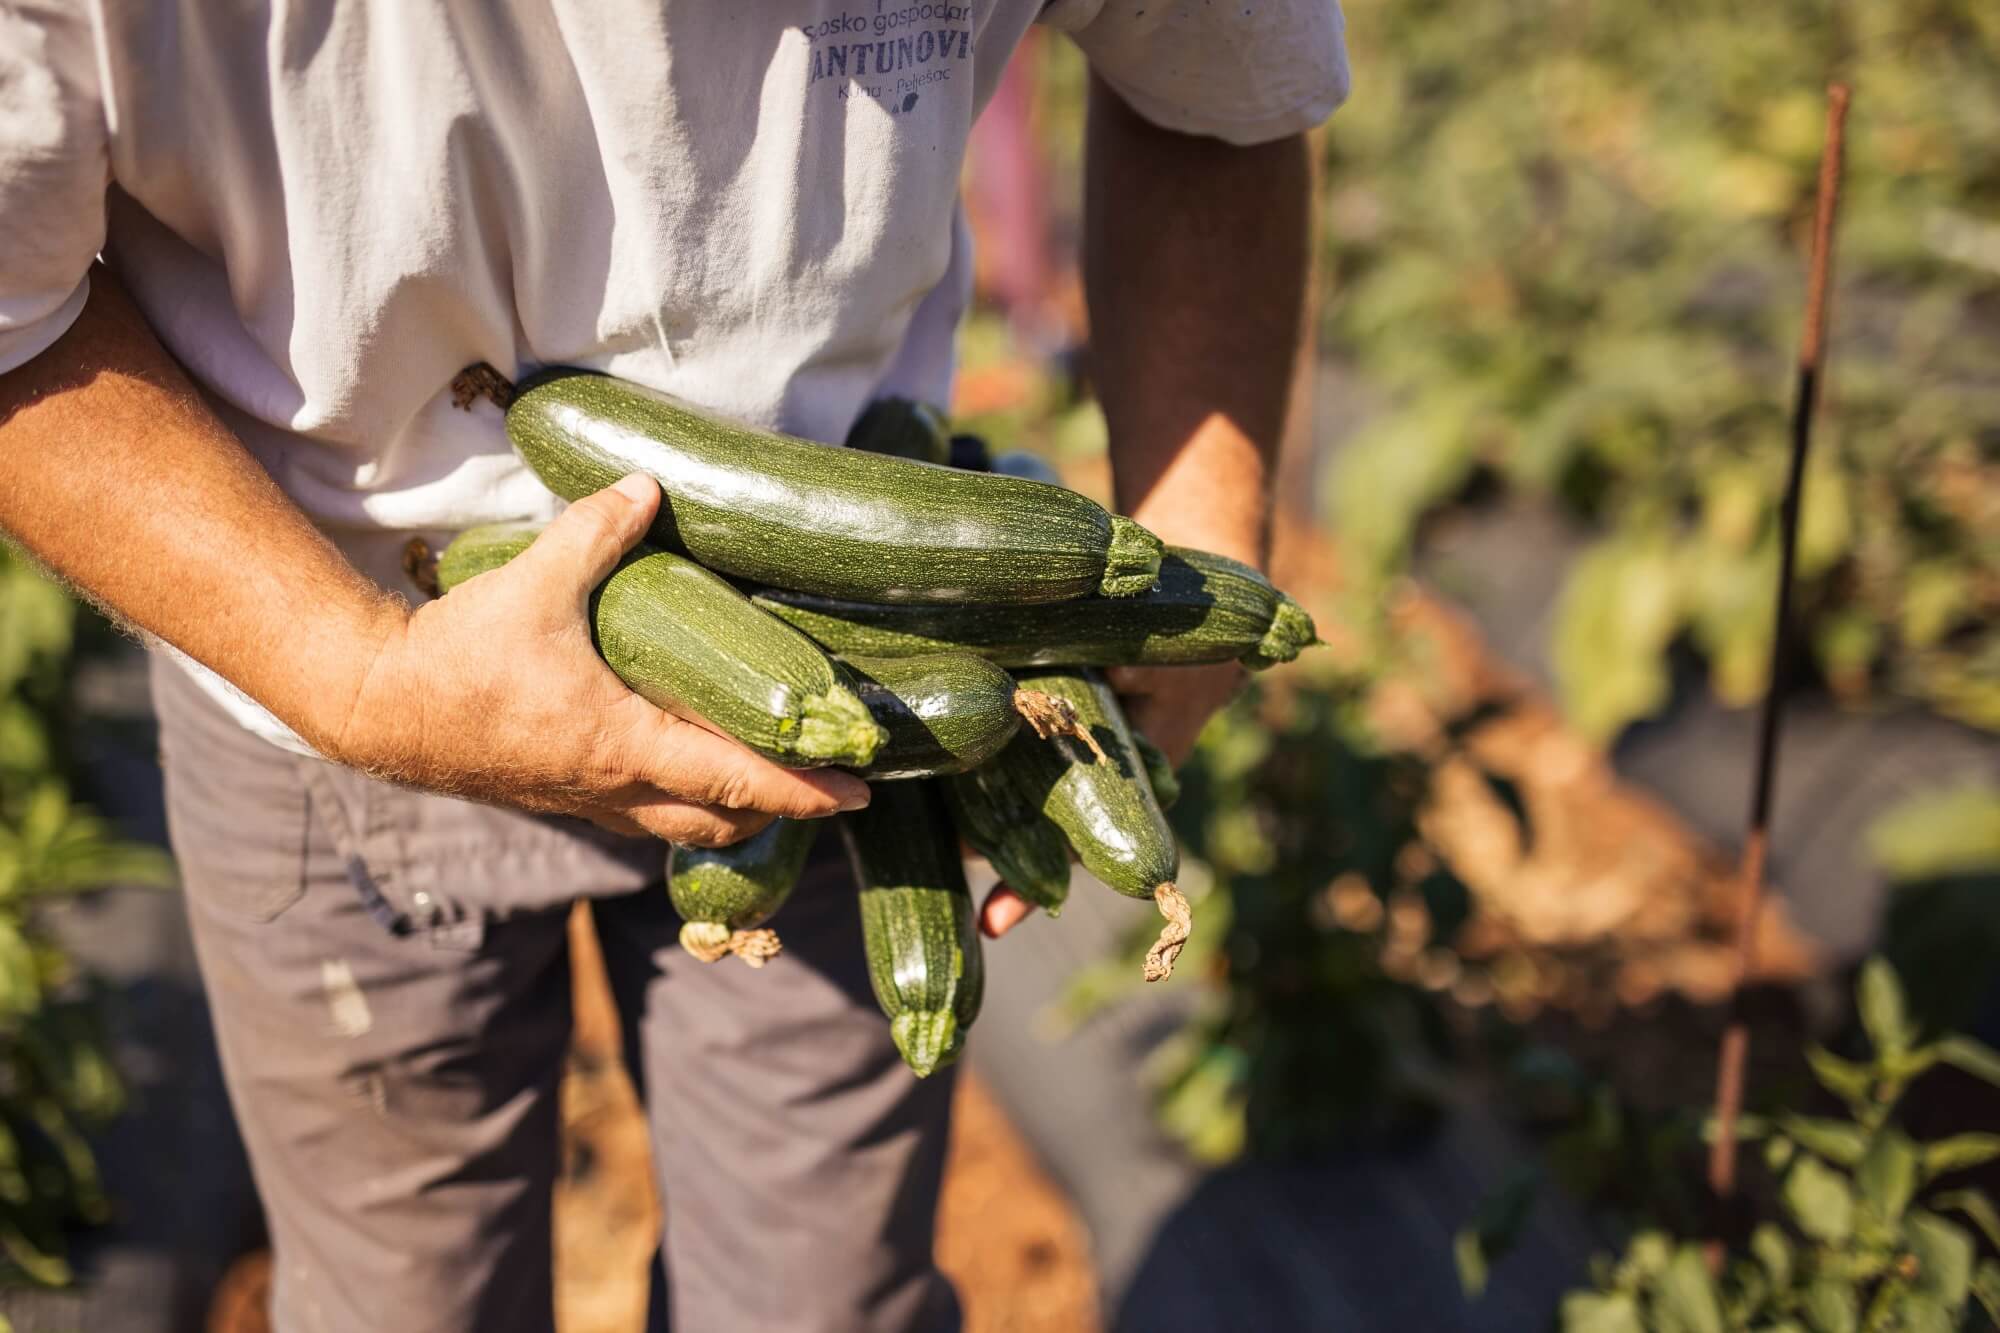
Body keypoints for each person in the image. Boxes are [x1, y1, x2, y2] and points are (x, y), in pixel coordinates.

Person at [0, 3, 1346, 1329]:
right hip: (314, 642)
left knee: (826, 1305)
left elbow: (1215, 85)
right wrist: (360, 678)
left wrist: (1196, 541)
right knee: (403, 1301)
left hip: (854, 701)